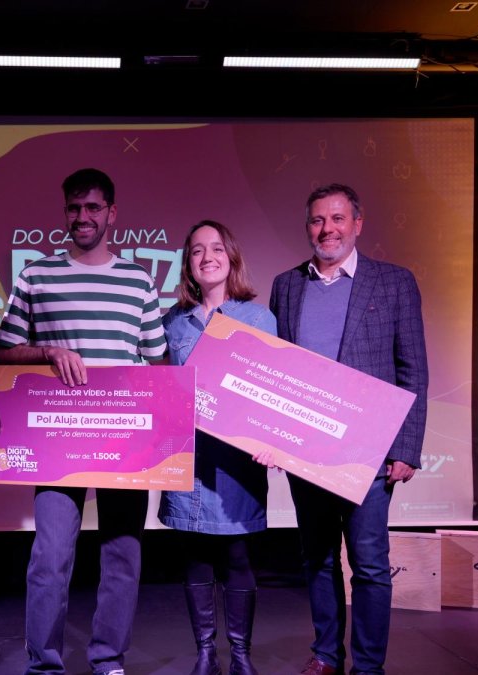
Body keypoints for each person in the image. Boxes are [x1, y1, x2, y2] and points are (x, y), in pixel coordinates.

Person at [0, 168, 166, 675]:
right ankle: (44, 663)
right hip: (56, 438)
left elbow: (157, 366)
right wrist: (47, 351)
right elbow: (1, 352)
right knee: (49, 558)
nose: (82, 217)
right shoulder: (36, 275)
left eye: (93, 208)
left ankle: (108, 658)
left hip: (122, 437)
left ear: (112, 213)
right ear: (64, 211)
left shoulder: (138, 280)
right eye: (74, 207)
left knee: (123, 554)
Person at [269, 184, 428, 675]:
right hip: (306, 451)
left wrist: (406, 447)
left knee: (371, 566)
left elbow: (413, 370)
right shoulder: (287, 284)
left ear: (357, 224)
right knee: (316, 560)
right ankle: (325, 654)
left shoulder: (394, 282)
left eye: (337, 218)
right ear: (308, 227)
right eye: (318, 220)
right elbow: (277, 370)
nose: (327, 229)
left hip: (371, 451)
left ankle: (368, 666)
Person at [157, 221, 277, 675]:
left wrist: (273, 440)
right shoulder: (172, 323)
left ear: (231, 256)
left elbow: (274, 392)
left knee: (237, 554)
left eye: (215, 248)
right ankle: (206, 653)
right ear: (187, 263)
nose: (207, 257)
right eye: (196, 251)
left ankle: (240, 654)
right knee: (195, 555)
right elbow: (162, 390)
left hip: (236, 463)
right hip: (188, 460)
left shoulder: (258, 319)